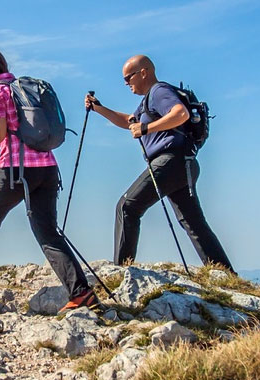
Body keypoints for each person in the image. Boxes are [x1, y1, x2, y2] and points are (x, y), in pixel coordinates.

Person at [0, 46, 99, 314]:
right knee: (48, 232)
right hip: (47, 169)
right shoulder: (22, 88)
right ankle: (81, 293)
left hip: (15, 170)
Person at [85, 55, 236, 273]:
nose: (126, 83)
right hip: (184, 163)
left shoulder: (159, 91)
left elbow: (180, 114)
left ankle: (122, 270)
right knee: (193, 223)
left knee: (127, 206)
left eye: (128, 77)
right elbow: (129, 121)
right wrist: (99, 108)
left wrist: (147, 129)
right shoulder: (147, 101)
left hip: (171, 162)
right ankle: (226, 273)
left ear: (144, 72)